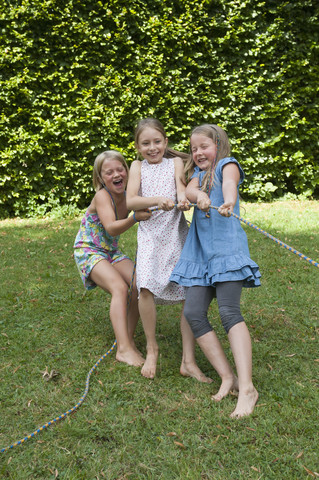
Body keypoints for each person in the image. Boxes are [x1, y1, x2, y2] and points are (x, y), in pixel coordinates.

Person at [170, 124, 261, 418]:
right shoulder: (196, 176)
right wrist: (199, 198)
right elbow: (191, 190)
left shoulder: (226, 165)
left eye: (204, 146)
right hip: (200, 254)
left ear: (219, 145)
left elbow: (230, 185)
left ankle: (247, 388)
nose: (198, 152)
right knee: (193, 312)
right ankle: (228, 377)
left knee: (229, 312)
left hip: (226, 249)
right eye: (194, 148)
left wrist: (228, 200)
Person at [126, 118, 212, 382]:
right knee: (146, 287)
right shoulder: (137, 166)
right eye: (146, 143)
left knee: (188, 290)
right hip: (151, 235)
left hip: (176, 233)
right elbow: (131, 200)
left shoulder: (175, 163)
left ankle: (188, 360)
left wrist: (183, 199)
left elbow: (180, 189)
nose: (152, 148)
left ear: (165, 142)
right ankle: (152, 349)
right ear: (138, 146)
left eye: (157, 142)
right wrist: (156, 200)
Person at [73, 150, 151, 367]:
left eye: (120, 169)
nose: (116, 174)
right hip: (89, 250)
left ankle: (126, 339)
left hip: (111, 252)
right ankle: (124, 350)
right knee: (119, 287)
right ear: (100, 178)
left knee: (139, 283)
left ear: (127, 171)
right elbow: (111, 228)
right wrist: (134, 217)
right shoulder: (102, 196)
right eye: (109, 172)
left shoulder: (129, 196)